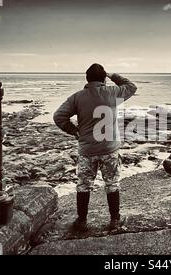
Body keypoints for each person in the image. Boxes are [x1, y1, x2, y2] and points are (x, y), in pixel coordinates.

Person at [53, 64, 137, 232]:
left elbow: (58, 116)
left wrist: (73, 130)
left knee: (83, 185)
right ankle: (114, 220)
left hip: (87, 150)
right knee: (112, 184)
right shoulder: (112, 93)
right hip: (109, 149)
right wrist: (113, 75)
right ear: (103, 78)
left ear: (87, 79)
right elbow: (131, 87)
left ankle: (82, 221)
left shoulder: (77, 97)